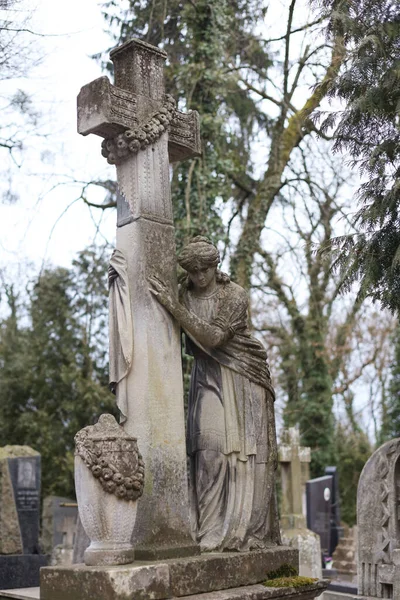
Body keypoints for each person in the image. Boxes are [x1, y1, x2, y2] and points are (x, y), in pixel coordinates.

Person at [149, 236, 280, 552]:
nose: (200, 278)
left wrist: (173, 306)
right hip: (207, 376)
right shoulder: (183, 292)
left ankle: (246, 529)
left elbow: (214, 336)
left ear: (214, 266)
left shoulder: (234, 295)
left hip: (243, 375)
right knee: (208, 451)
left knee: (249, 456)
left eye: (205, 270)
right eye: (193, 272)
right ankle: (209, 531)